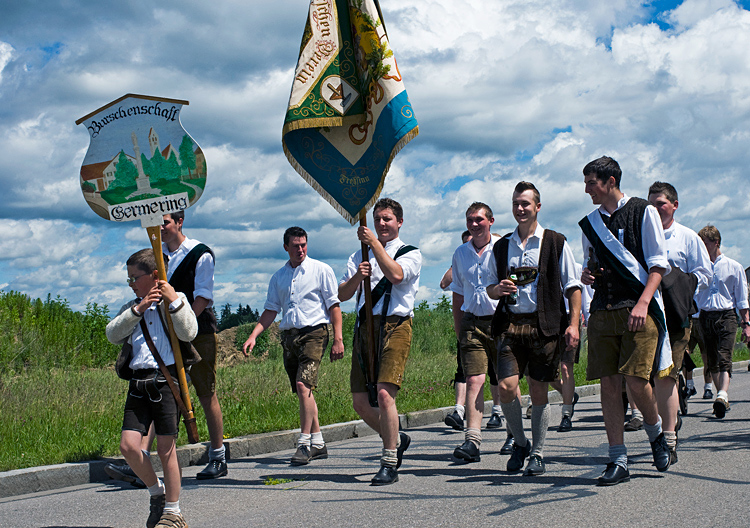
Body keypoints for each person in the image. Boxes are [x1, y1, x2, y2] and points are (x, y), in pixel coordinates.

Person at [104, 212, 228, 486]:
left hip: (195, 327)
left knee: (205, 391)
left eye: (166, 222)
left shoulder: (200, 253)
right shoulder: (155, 255)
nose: (160, 227)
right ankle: (142, 457)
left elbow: (203, 296)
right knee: (159, 385)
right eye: (156, 223)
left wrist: (182, 324)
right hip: (161, 328)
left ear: (179, 222)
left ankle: (218, 453)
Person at [579, 156, 672, 486]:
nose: (587, 188)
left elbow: (658, 266)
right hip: (604, 308)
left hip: (638, 307)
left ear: (610, 181)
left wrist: (643, 303)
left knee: (635, 381)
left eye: (591, 182)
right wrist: (587, 275)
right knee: (608, 385)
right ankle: (618, 457)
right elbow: (589, 263)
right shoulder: (590, 223)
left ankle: (656, 434)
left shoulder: (642, 211)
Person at [486, 182, 582, 475]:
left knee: (539, 390)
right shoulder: (502, 246)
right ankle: (520, 441)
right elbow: (489, 288)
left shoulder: (555, 242)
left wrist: (574, 324)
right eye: (516, 203)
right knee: (506, 388)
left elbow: (573, 286)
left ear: (537, 207)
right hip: (511, 324)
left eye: (525, 203)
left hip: (545, 326)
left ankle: (537, 453)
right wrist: (498, 288)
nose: (520, 208)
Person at [106, 249, 197, 528]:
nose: (131, 282)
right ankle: (157, 492)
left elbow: (189, 332)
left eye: (135, 277)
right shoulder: (133, 306)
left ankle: (174, 510)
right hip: (139, 381)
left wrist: (173, 303)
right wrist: (139, 308)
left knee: (165, 447)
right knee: (128, 446)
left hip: (166, 380)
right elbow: (112, 334)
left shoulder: (177, 300)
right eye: (129, 278)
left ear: (154, 275)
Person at [242, 227, 344, 464]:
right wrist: (254, 334)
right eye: (296, 245)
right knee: (303, 391)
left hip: (315, 333)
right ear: (286, 247)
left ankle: (304, 444)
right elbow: (271, 309)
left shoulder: (321, 270)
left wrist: (338, 338)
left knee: (303, 384)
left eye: (304, 244)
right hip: (289, 336)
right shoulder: (279, 277)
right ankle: (318, 442)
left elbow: (334, 305)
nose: (301, 249)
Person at [338, 198, 422, 485]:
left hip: (395, 325)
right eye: (377, 219)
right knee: (361, 402)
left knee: (385, 393)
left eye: (387, 219)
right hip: (365, 327)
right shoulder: (358, 256)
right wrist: (357, 278)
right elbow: (342, 294)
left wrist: (374, 244)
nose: (382, 224)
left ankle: (388, 460)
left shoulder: (410, 252)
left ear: (399, 222)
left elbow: (397, 275)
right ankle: (396, 437)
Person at [647, 182, 711, 461]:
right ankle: (668, 415)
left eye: (661, 203)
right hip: (647, 314)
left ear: (674, 205)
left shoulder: (686, 237)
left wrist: (682, 286)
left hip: (676, 316)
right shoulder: (643, 235)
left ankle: (669, 439)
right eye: (651, 203)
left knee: (666, 374)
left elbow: (704, 273)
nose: (656, 208)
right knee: (645, 378)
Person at [449, 202, 509, 463]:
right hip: (472, 323)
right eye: (470, 220)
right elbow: (458, 293)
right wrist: (459, 327)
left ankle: (514, 434)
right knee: (474, 380)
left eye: (479, 220)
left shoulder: (503, 247)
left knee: (507, 382)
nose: (474, 225)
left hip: (501, 321)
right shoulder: (460, 253)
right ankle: (472, 440)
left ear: (491, 221)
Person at [695, 225, 750, 418]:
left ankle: (722, 394)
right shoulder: (699, 267)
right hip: (705, 315)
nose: (702, 246)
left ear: (715, 242)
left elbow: (741, 298)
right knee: (711, 360)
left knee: (724, 355)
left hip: (726, 315)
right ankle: (721, 397)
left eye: (705, 243)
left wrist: (746, 323)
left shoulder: (733, 266)